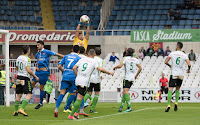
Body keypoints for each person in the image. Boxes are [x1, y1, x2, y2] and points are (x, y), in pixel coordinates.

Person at [68, 49, 114, 120]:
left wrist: (77, 75)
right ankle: (71, 115)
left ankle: (76, 113)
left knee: (80, 97)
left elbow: (74, 67)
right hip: (84, 81)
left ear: (88, 54)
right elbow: (100, 69)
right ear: (94, 54)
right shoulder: (94, 61)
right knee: (79, 98)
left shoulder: (82, 59)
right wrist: (109, 72)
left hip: (77, 80)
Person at [32, 41, 64, 109]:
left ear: (42, 45)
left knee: (41, 87)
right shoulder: (37, 54)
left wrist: (64, 57)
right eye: (37, 45)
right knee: (32, 83)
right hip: (38, 72)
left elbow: (56, 54)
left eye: (38, 45)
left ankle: (40, 102)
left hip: (44, 72)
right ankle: (27, 97)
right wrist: (37, 66)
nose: (37, 46)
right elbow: (37, 61)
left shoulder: (46, 52)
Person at [54, 45, 81, 117]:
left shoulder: (66, 56)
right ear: (78, 51)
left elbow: (59, 66)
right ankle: (69, 108)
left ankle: (56, 109)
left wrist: (63, 71)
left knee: (61, 93)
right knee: (73, 94)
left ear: (72, 50)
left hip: (65, 76)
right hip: (73, 77)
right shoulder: (79, 58)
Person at [164, 42, 191, 112]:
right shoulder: (184, 55)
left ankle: (168, 105)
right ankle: (176, 103)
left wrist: (170, 66)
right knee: (177, 89)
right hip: (181, 74)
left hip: (174, 74)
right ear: (181, 47)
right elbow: (189, 64)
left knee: (170, 89)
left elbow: (165, 61)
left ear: (176, 46)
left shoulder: (172, 53)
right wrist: (188, 69)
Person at [113, 48, 142, 112]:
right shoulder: (135, 59)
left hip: (127, 78)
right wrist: (136, 76)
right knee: (124, 92)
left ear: (127, 52)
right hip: (132, 78)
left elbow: (120, 66)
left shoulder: (125, 58)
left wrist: (115, 67)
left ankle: (129, 107)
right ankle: (121, 106)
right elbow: (140, 68)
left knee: (125, 92)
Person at [14, 45, 39, 116]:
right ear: (28, 50)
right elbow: (28, 70)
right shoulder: (27, 59)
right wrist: (35, 76)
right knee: (29, 94)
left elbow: (16, 68)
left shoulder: (18, 57)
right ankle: (21, 109)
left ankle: (15, 111)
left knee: (19, 94)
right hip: (25, 78)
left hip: (19, 77)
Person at [84, 47, 103, 113]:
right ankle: (92, 109)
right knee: (96, 93)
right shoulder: (100, 60)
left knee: (89, 93)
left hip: (89, 78)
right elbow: (100, 69)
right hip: (96, 78)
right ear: (100, 53)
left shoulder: (90, 59)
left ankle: (81, 105)